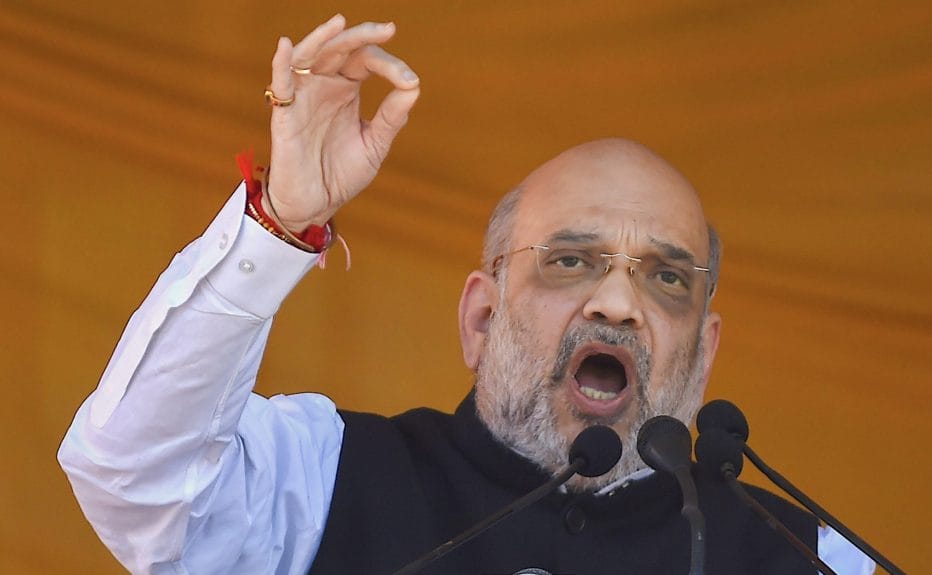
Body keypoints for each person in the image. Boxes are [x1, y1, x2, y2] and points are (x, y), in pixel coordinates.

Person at [58, 14, 874, 575]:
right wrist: (279, 225)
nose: (619, 306)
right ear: (481, 317)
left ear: (705, 346)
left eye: (666, 278)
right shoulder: (330, 477)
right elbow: (134, 474)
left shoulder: (803, 556)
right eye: (570, 261)